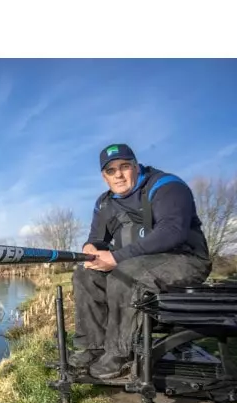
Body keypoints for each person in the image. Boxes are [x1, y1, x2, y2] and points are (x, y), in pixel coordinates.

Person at [69, 143, 212, 379]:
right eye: (111, 170)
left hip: (186, 259)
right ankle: (92, 348)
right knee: (85, 273)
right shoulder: (104, 203)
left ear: (136, 166)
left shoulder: (166, 185)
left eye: (124, 166)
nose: (118, 175)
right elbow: (96, 240)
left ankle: (120, 354)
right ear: (104, 177)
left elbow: (172, 232)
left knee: (126, 273)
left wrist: (116, 257)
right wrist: (89, 249)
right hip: (135, 261)